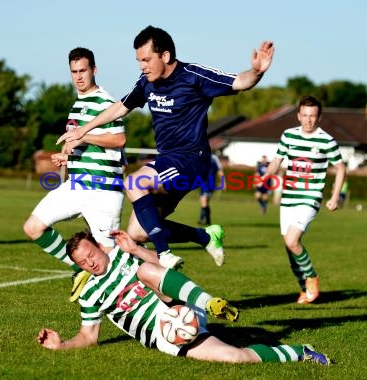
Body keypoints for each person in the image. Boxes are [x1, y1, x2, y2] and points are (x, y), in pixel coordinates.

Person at [58, 25, 275, 270]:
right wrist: (83, 129)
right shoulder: (146, 82)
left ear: (166, 56)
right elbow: (121, 106)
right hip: (168, 160)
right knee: (139, 231)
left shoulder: (194, 76)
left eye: (147, 59)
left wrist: (256, 71)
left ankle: (164, 254)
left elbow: (240, 82)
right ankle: (205, 236)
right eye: (139, 60)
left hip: (192, 160)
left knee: (134, 183)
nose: (142, 66)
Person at [36, 229, 331, 366]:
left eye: (91, 255)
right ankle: (301, 351)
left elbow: (168, 267)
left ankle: (210, 302)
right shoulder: (89, 293)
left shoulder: (123, 255)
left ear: (99, 246)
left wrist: (137, 250)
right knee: (236, 358)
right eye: (84, 263)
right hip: (168, 337)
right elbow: (89, 337)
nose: (91, 263)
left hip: (179, 305)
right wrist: (61, 346)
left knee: (145, 272)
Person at [22, 47, 126, 300]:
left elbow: (119, 140)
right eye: (74, 72)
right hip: (77, 184)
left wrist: (82, 135)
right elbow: (89, 146)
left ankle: (146, 301)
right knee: (33, 227)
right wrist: (68, 157)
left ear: (94, 70)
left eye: (83, 70)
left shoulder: (105, 102)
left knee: (109, 261)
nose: (79, 76)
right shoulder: (78, 104)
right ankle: (78, 269)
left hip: (102, 189)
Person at [263, 95, 346, 304]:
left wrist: (335, 197)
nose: (309, 120)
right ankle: (304, 291)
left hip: (310, 197)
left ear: (319, 117)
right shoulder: (288, 135)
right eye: (305, 115)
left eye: (313, 116)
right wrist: (266, 176)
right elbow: (277, 160)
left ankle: (312, 277)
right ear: (299, 115)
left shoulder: (327, 140)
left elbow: (341, 167)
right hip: (289, 197)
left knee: (292, 241)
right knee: (289, 248)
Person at [197, 153, 225, 227]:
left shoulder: (214, 158)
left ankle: (201, 219)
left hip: (210, 184)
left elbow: (219, 170)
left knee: (204, 200)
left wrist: (223, 182)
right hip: (202, 183)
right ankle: (208, 220)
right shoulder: (200, 156)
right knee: (204, 201)